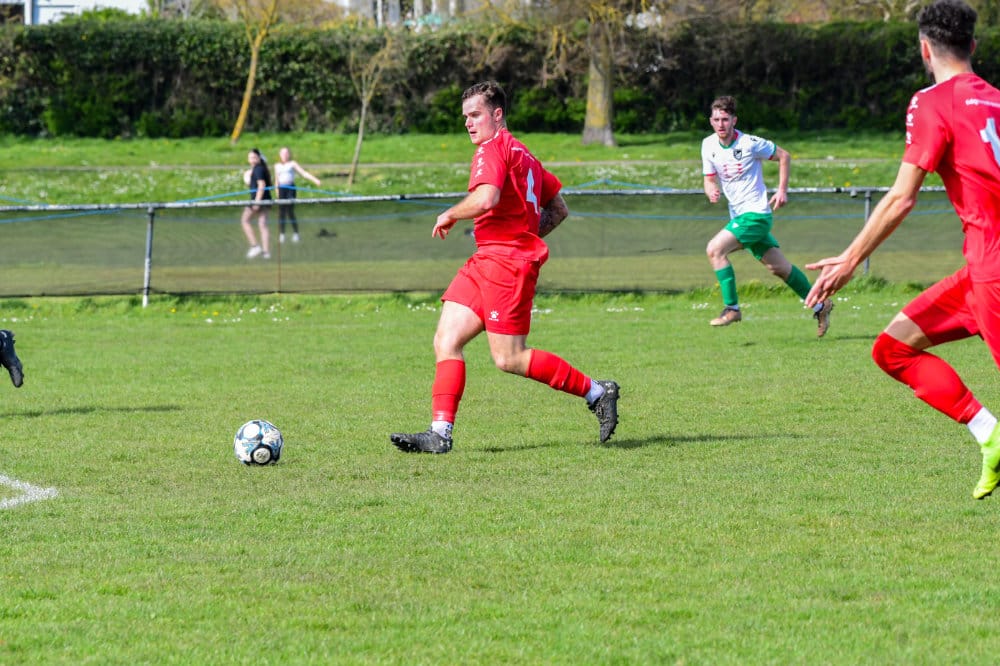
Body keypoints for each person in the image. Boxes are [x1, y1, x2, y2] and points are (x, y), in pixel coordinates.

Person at [805, 0, 1000, 499]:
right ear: (974, 45)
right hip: (981, 270)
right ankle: (990, 435)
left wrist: (850, 259)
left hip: (993, 271)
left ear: (924, 49)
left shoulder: (932, 102)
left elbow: (901, 197)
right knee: (893, 348)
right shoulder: (997, 100)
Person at [390, 80, 620, 454]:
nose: (468, 123)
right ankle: (439, 433)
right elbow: (559, 209)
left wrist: (451, 213)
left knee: (509, 357)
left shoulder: (492, 148)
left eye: (475, 115)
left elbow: (487, 197)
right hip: (487, 259)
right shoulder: (524, 154)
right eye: (465, 116)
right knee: (446, 340)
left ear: (497, 115)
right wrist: (523, 234)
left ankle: (597, 392)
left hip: (506, 265)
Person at [701, 95, 834, 335]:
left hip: (756, 216)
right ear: (711, 121)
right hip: (739, 217)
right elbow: (709, 179)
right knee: (779, 268)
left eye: (725, 119)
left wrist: (782, 190)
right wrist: (711, 189)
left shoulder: (750, 143)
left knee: (715, 250)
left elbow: (784, 156)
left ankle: (732, 308)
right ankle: (820, 305)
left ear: (734, 121)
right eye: (716, 119)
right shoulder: (708, 145)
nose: (721, 124)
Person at [274, 147, 321, 244]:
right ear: (280, 154)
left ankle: (296, 234)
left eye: (286, 153)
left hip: (290, 189)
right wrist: (277, 192)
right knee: (282, 213)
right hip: (282, 189)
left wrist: (315, 180)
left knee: (290, 211)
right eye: (282, 153)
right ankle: (282, 234)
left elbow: (304, 173)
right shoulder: (277, 166)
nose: (284, 155)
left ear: (289, 154)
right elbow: (276, 180)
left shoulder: (292, 164)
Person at [241, 148, 272, 259]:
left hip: (259, 200)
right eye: (250, 158)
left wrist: (257, 202)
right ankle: (266, 252)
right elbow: (252, 183)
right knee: (262, 224)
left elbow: (261, 185)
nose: (252, 160)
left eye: (254, 157)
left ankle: (255, 246)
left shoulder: (258, 169)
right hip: (265, 200)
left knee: (245, 220)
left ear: (259, 158)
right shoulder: (259, 169)